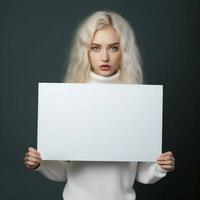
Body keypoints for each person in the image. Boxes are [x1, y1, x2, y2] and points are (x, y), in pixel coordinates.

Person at [24, 10, 175, 200]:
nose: (104, 57)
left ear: (124, 51)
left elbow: (141, 174)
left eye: (113, 48)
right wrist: (40, 163)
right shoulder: (67, 98)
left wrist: (160, 167)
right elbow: (62, 172)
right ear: (85, 51)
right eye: (96, 48)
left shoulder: (139, 101)